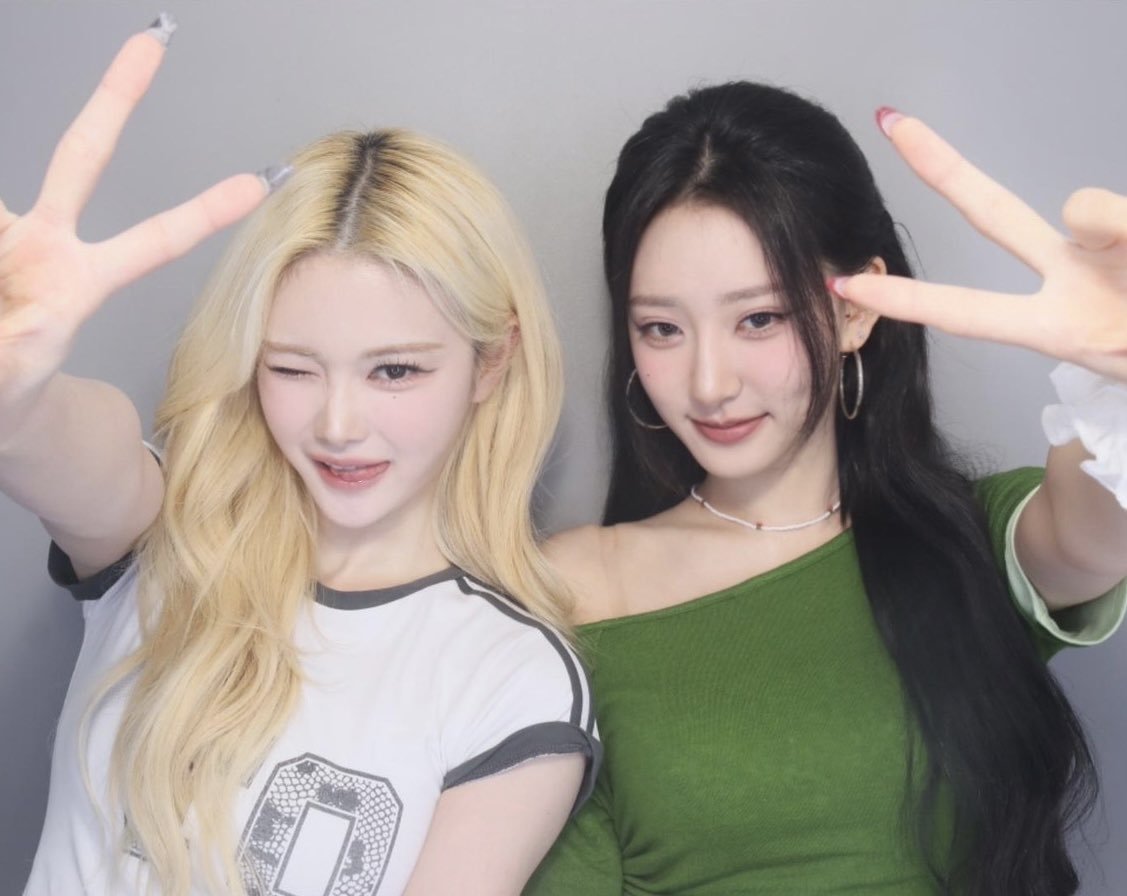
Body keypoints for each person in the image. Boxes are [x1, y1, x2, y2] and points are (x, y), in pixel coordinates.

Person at [1, 20, 598, 896]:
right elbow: (53, 442)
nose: (338, 426)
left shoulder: (509, 677)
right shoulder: (168, 532)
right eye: (291, 368)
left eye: (394, 371)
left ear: (491, 363)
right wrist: (14, 386)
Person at [526, 82, 1127, 895]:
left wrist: (1115, 372)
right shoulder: (569, 586)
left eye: (759, 319)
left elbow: (1092, 534)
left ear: (855, 310)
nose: (708, 383)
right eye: (660, 328)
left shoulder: (975, 541)